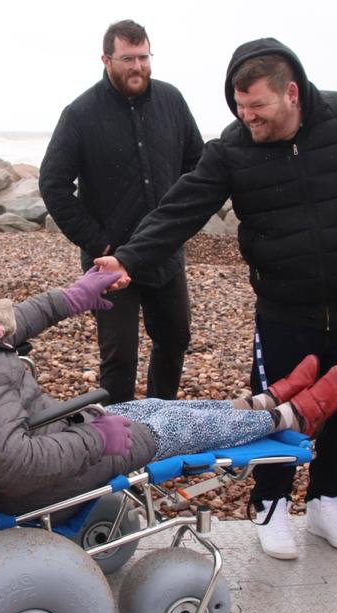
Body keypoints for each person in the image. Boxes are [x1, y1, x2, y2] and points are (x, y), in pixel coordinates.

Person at [95, 38, 337, 560]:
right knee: (276, 411)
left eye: (257, 106)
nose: (246, 116)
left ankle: (326, 503)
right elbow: (180, 210)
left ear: (292, 94)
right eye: (239, 105)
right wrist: (129, 259)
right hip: (284, 308)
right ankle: (271, 507)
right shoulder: (233, 148)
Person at [0, 248, 337, 516]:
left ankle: (260, 403)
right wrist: (95, 437)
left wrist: (77, 296)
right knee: (167, 430)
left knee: (157, 405)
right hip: (36, 478)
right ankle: (292, 417)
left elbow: (12, 318)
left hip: (52, 431)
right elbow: (15, 467)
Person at [39, 19, 204, 404]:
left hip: (163, 254)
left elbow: (197, 164)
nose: (137, 67)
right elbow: (53, 184)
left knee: (175, 340)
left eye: (144, 57)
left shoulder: (172, 101)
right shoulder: (80, 114)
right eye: (127, 58)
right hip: (109, 263)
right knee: (119, 359)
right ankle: (117, 445)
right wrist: (99, 242)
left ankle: (162, 420)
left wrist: (178, 222)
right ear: (106, 59)